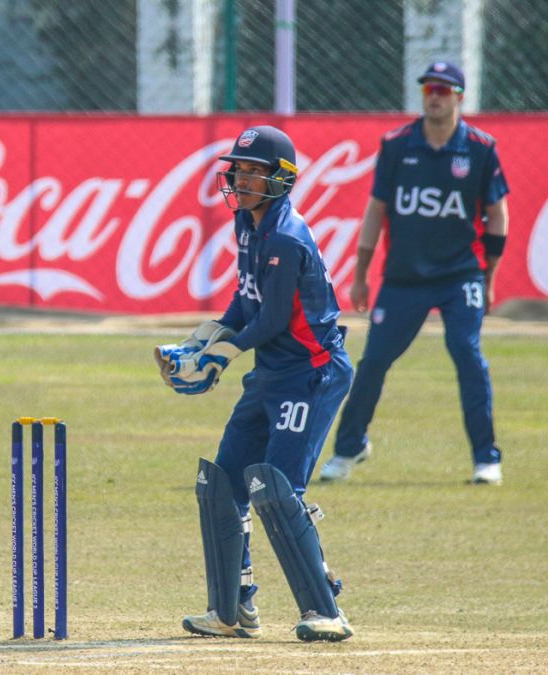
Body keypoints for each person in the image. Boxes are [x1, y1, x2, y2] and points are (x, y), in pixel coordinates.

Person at [155, 125, 354, 641]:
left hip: (312, 373)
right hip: (271, 373)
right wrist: (203, 338)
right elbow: (247, 303)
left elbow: (271, 323)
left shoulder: (287, 238)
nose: (241, 179)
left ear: (281, 180)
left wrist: (221, 356)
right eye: (237, 170)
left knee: (278, 490)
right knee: (224, 482)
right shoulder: (247, 224)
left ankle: (325, 611)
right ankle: (231, 610)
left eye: (253, 172)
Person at [319, 61, 509, 485]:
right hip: (404, 277)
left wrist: (489, 276)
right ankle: (349, 448)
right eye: (428, 89)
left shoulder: (480, 147)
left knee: (467, 354)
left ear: (460, 96)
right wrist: (361, 273)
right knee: (373, 362)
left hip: (461, 275)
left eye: (444, 89)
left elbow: (497, 214)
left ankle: (486, 457)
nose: (435, 96)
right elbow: (376, 210)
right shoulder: (397, 144)